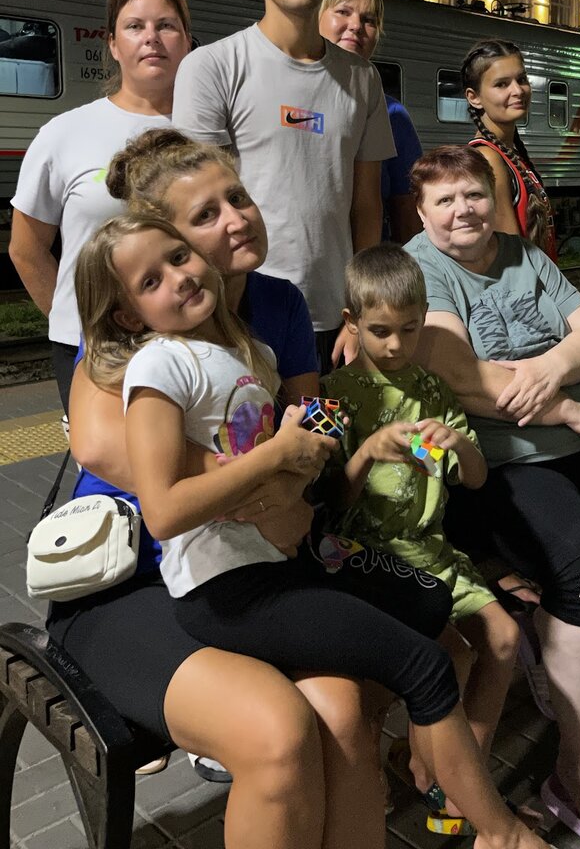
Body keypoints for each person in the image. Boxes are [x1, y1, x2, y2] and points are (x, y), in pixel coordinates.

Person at [75, 213, 553, 849]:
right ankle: (501, 833)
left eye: (178, 257)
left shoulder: (252, 355)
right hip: (228, 587)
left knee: (430, 601)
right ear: (129, 315)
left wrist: (299, 465)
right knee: (425, 665)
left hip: (284, 558)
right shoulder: (160, 365)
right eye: (150, 281)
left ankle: (409, 763)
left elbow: (294, 463)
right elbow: (162, 510)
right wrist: (276, 458)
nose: (179, 277)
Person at [54, 132, 390, 845]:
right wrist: (266, 484)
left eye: (237, 197)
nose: (238, 219)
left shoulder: (278, 303)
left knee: (347, 717)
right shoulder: (137, 321)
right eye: (205, 216)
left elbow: (316, 419)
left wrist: (302, 466)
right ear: (162, 242)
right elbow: (99, 446)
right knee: (278, 733)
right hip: (134, 577)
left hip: (241, 567)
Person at [405, 145, 580, 849]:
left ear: (493, 199)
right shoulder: (421, 268)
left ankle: (556, 631)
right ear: (422, 212)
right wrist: (565, 405)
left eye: (474, 194)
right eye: (445, 200)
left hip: (576, 441)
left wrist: (550, 366)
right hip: (493, 461)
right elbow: (461, 376)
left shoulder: (524, 255)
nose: (463, 210)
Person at [321, 243, 519, 833]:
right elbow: (327, 507)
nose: (395, 345)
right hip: (367, 557)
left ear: (425, 318)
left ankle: (459, 778)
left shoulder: (432, 391)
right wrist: (364, 454)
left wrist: (459, 445)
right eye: (380, 331)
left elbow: (475, 478)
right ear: (351, 323)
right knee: (450, 655)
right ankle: (434, 775)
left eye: (410, 329)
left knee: (504, 637)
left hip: (431, 550)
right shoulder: (333, 394)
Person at [172, 0, 396, 370]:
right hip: (243, 313)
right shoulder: (212, 67)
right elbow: (196, 210)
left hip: (336, 318)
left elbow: (366, 206)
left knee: (331, 423)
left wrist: (362, 309)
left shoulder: (362, 79)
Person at [10, 0, 193, 412]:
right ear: (112, 44)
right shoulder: (64, 133)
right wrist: (75, 322)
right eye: (135, 26)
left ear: (188, 41)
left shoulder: (211, 131)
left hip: (193, 340)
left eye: (166, 25)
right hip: (95, 350)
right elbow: (26, 249)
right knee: (105, 459)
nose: (151, 37)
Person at [319, 0, 423, 243]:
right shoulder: (292, 101)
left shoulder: (393, 115)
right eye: (343, 12)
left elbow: (406, 208)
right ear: (316, 17)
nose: (356, 26)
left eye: (369, 20)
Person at [462, 39, 557, 260]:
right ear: (474, 98)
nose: (518, 90)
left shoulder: (507, 152)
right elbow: (511, 254)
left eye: (521, 79)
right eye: (502, 84)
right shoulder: (488, 158)